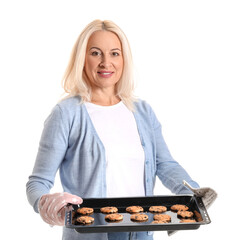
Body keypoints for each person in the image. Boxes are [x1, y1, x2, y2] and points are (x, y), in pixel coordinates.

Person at [26, 19, 201, 240]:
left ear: (124, 59)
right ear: (82, 58)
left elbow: (164, 164)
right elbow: (37, 182)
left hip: (141, 233)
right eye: (96, 53)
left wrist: (193, 192)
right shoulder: (66, 113)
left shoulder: (143, 111)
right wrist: (48, 205)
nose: (106, 62)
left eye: (115, 54)